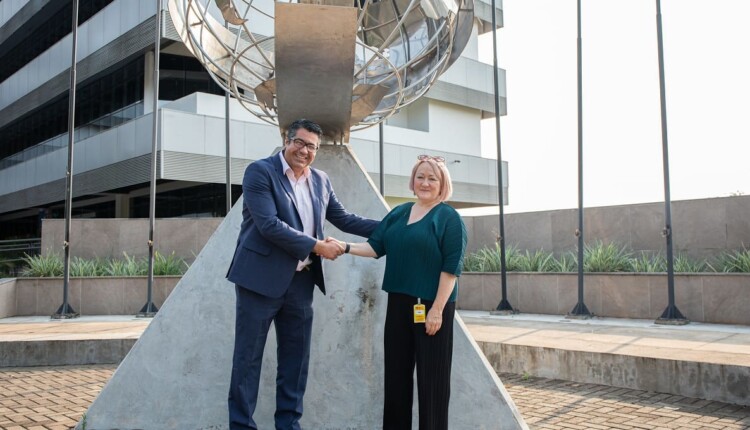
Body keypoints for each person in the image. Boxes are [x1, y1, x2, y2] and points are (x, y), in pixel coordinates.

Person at [226, 118, 379, 430]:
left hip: (301, 283)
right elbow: (269, 225)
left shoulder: (321, 180)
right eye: (300, 142)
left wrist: (396, 226)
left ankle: (288, 425)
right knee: (248, 359)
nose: (304, 150)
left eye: (311, 146)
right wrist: (317, 246)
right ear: (287, 139)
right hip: (259, 281)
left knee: (295, 362)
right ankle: (241, 426)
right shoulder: (260, 172)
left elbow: (345, 219)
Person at [329, 154, 467, 430]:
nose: (425, 182)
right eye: (420, 176)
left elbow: (451, 269)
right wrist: (344, 247)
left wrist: (437, 310)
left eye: (432, 178)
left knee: (433, 383)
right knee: (396, 379)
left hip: (431, 306)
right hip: (399, 304)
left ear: (442, 184)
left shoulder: (449, 218)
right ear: (412, 181)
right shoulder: (399, 212)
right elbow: (376, 246)